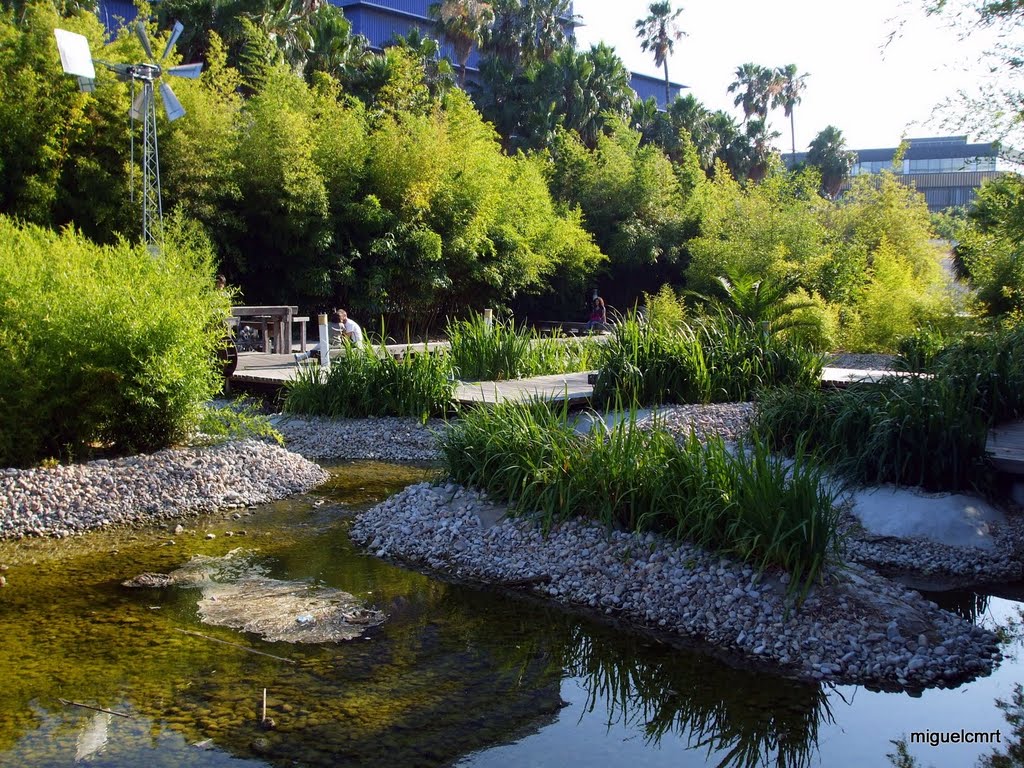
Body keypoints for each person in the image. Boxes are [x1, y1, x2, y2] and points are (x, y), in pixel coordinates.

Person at [295, 308, 363, 364]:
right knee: (319, 346)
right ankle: (301, 357)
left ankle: (301, 357)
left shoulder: (329, 324)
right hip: (337, 343)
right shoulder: (342, 325)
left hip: (353, 344)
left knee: (318, 347)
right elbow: (344, 336)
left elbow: (346, 339)